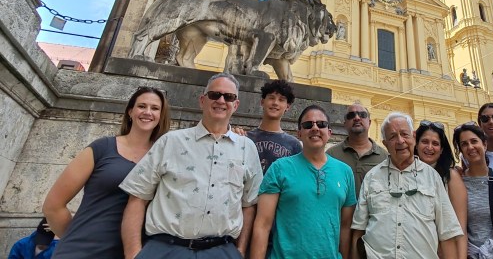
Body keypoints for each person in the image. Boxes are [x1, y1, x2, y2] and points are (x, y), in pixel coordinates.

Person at [120, 73, 263, 258]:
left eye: (228, 97)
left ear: (235, 105)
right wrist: (133, 254)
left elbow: (249, 205)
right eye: (214, 95)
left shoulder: (247, 148)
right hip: (165, 248)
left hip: (222, 251)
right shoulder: (171, 141)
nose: (221, 100)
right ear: (202, 100)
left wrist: (241, 250)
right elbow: (138, 197)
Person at [43, 87, 170, 258]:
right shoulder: (102, 148)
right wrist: (75, 238)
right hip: (80, 251)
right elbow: (53, 206)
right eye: (142, 106)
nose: (147, 112)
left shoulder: (164, 156)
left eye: (155, 108)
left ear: (161, 115)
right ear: (130, 111)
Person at [350, 112, 463, 259]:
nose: (400, 141)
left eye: (404, 134)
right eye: (392, 136)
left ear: (414, 137)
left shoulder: (432, 177)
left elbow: (447, 233)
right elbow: (358, 232)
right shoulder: (372, 177)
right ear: (385, 144)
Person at [251, 105, 356, 259]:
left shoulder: (345, 172)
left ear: (329, 132)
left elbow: (345, 227)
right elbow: (262, 225)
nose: (315, 128)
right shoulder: (280, 168)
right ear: (299, 133)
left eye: (321, 124)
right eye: (308, 125)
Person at [453, 122, 493, 259]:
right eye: (464, 144)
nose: (470, 147)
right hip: (474, 255)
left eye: (474, 141)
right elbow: (459, 229)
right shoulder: (458, 182)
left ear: (484, 144)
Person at [414, 120, 468, 258]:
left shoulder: (451, 177)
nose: (429, 147)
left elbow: (460, 228)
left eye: (435, 143)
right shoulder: (408, 173)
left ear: (442, 149)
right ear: (416, 144)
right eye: (424, 142)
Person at [327, 102, 388, 198]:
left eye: (362, 115)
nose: (357, 118)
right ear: (345, 124)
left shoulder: (385, 157)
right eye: (351, 115)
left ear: (369, 122)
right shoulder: (331, 155)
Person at [247, 79, 302, 174]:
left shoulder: (294, 145)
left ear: (287, 106)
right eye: (271, 98)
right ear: (262, 102)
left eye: (281, 100)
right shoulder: (246, 138)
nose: (275, 103)